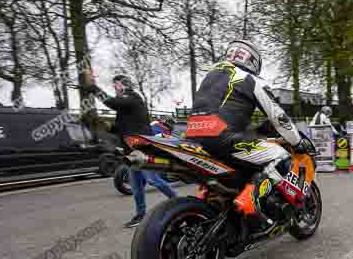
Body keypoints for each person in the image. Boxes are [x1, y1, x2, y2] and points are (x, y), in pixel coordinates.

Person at [186, 40, 316, 231]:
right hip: (224, 140)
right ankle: (250, 204)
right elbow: (278, 116)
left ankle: (215, 202)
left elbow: (224, 112)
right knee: (281, 156)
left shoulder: (210, 76)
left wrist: (256, 131)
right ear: (253, 60)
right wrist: (297, 141)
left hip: (193, 138)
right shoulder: (250, 79)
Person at [83, 74, 178, 228]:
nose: (114, 88)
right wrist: (103, 125)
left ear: (124, 84)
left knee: (153, 179)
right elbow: (119, 128)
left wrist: (94, 88)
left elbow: (112, 103)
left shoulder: (133, 97)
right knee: (136, 186)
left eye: (116, 85)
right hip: (130, 150)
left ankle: (177, 201)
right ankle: (141, 214)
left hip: (141, 147)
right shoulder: (125, 106)